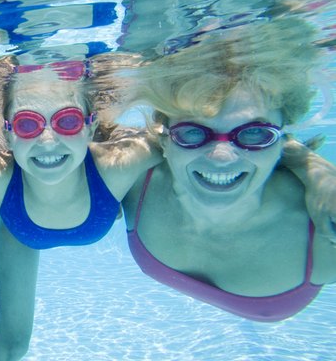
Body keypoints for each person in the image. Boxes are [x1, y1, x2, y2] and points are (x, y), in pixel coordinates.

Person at [121, 17, 336, 322]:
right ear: (165, 139)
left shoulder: (325, 235)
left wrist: (315, 169)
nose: (221, 157)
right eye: (193, 133)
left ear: (281, 138)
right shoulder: (132, 180)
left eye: (254, 134)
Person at [0, 60, 162, 360]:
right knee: (13, 345)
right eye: (27, 124)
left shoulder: (117, 166)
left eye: (67, 121)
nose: (48, 141)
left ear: (90, 127)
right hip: (20, 228)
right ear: (8, 135)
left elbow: (176, 139)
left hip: (83, 202)